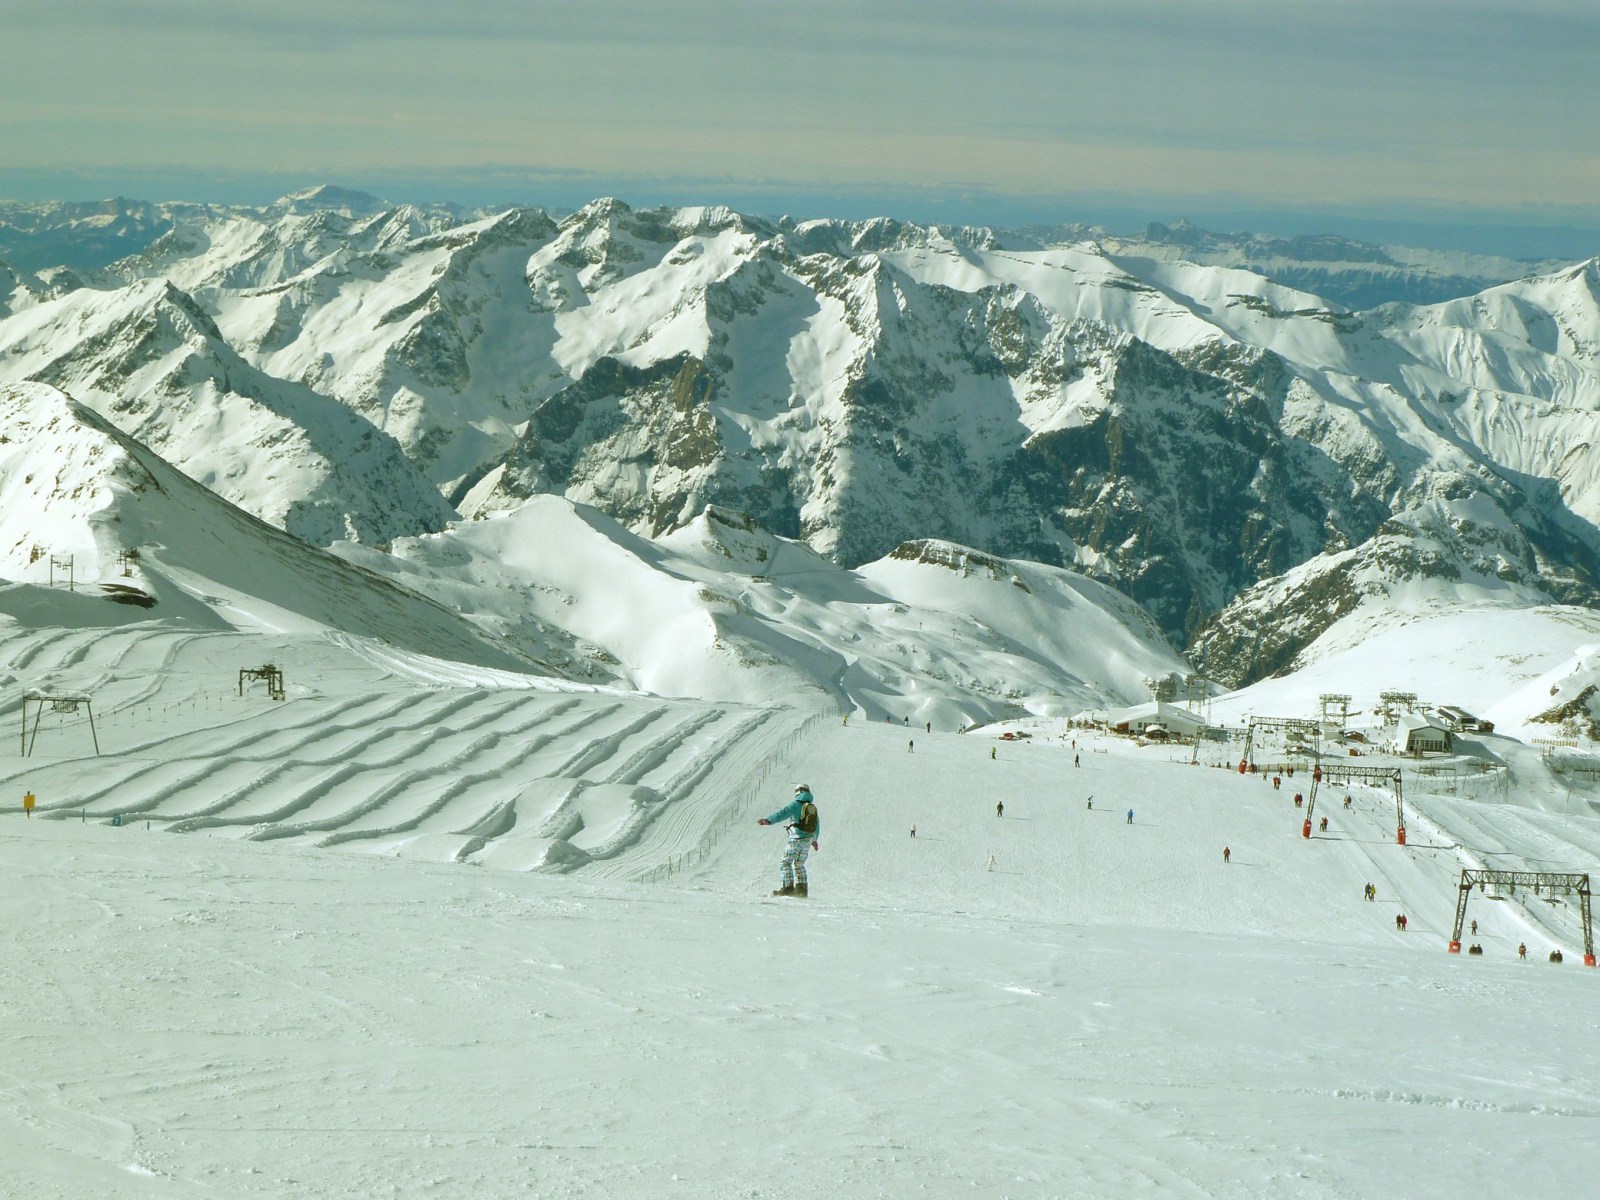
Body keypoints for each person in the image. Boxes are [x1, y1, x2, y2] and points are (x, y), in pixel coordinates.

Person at [757, 784, 820, 898]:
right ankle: (802, 890)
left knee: (785, 862)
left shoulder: (796, 805)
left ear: (798, 792)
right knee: (799, 864)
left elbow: (782, 813)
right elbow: (817, 826)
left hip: (796, 839)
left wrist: (768, 821)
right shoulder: (812, 807)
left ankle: (787, 888)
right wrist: (814, 840)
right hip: (808, 840)